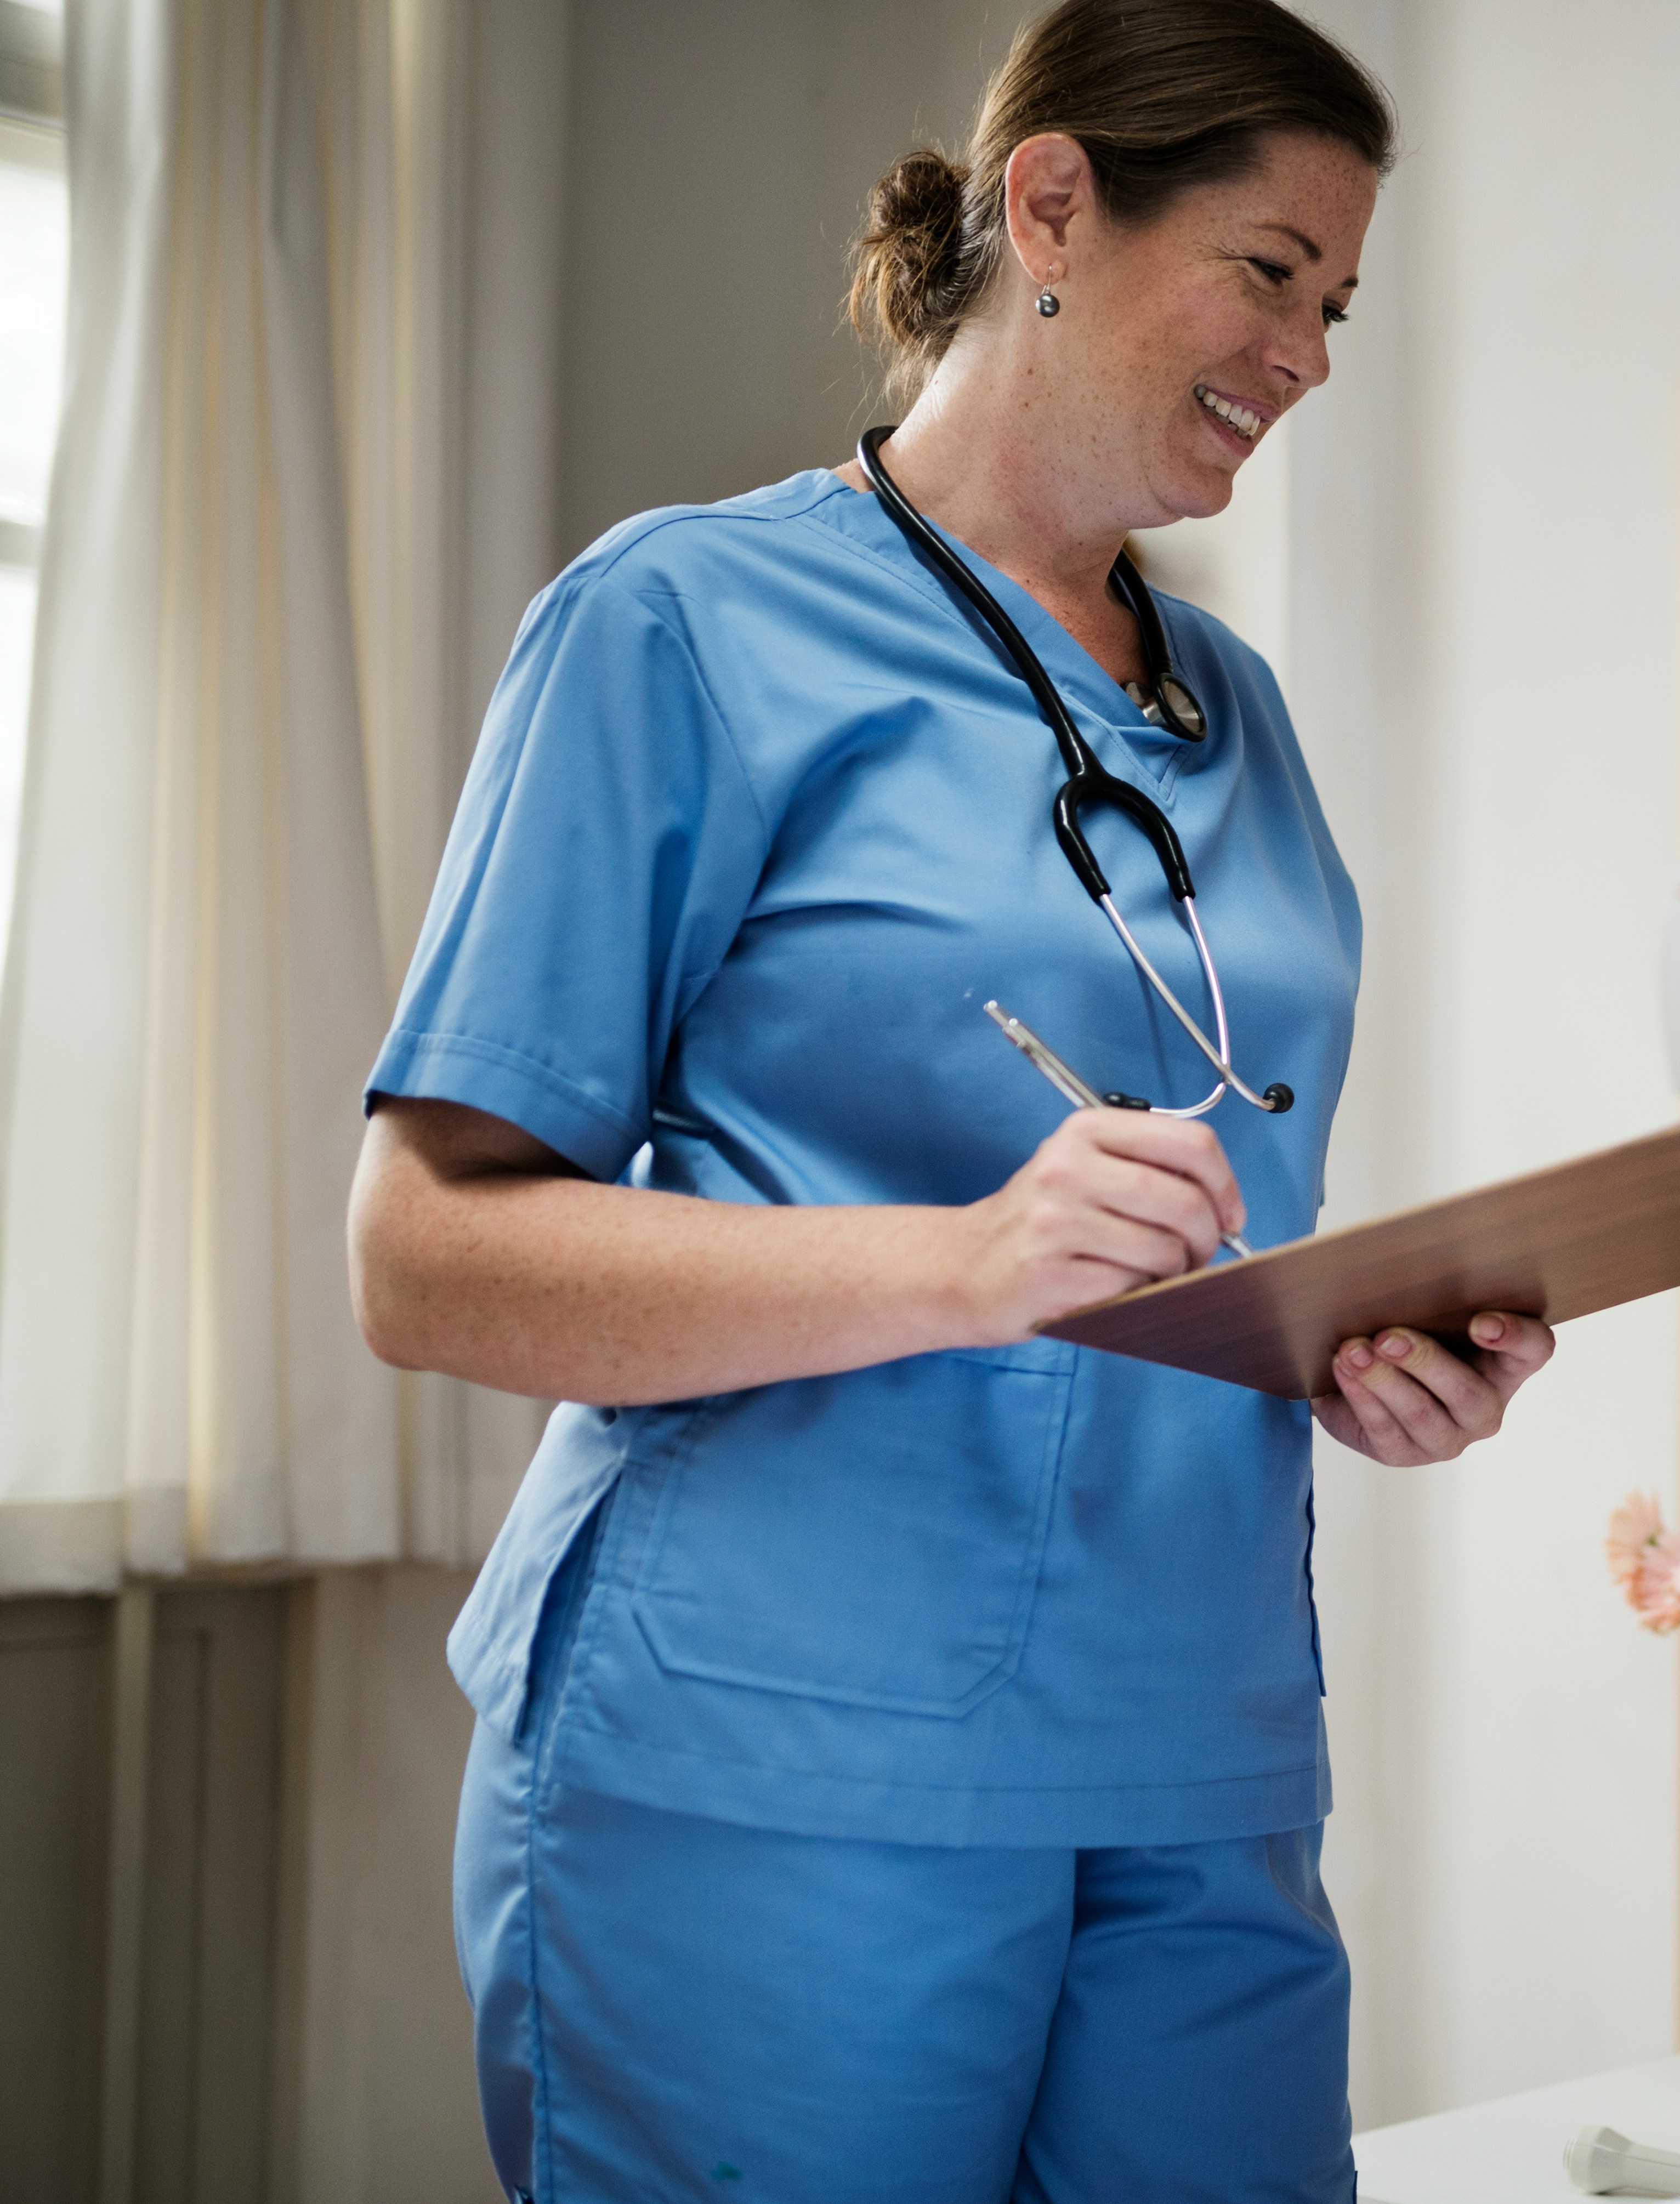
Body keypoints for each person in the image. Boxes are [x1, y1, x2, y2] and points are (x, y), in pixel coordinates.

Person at [342, 5, 1543, 2197]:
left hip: (1197, 1750)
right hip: (772, 1760)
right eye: (1272, 272)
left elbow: (1210, 1191)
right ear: (1054, 203)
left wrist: (1361, 1345)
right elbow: (425, 1258)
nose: (1313, 355)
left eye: (1342, 303)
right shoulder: (684, 622)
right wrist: (969, 1260)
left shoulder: (1240, 712)